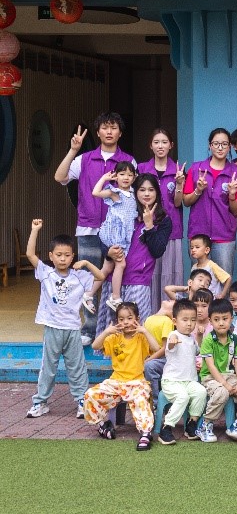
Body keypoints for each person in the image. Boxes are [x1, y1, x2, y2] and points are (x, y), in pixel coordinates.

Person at [54, 113, 136, 344]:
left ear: (120, 133)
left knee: (115, 276)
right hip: (89, 228)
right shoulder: (85, 159)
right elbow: (59, 177)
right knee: (89, 278)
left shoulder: (129, 162)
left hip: (116, 233)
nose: (109, 132)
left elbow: (134, 196)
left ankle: (113, 328)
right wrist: (73, 150)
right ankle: (89, 330)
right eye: (104, 128)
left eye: (114, 128)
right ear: (98, 132)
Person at [25, 220, 104, 419]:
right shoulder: (46, 273)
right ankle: (40, 402)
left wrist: (86, 263)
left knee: (77, 367)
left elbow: (100, 276)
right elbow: (30, 255)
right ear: (51, 256)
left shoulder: (79, 276)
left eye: (67, 255)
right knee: (48, 367)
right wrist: (35, 230)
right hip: (52, 328)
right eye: (58, 255)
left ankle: (82, 401)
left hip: (73, 329)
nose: (63, 259)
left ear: (73, 256)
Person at [91, 173, 172, 332]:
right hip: (114, 279)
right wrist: (108, 252)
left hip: (138, 280)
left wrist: (149, 226)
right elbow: (104, 235)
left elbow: (157, 251)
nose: (146, 194)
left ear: (157, 192)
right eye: (142, 190)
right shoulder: (124, 210)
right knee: (113, 331)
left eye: (151, 190)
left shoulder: (163, 219)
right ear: (135, 192)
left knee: (135, 330)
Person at [82, 302, 159, 450]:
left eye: (130, 318)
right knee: (90, 394)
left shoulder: (141, 337)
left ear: (137, 319)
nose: (126, 322)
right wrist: (106, 332)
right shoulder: (114, 337)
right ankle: (102, 425)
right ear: (117, 321)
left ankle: (145, 433)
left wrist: (144, 330)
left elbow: (156, 348)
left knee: (140, 400)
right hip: (115, 382)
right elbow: (95, 346)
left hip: (136, 382)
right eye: (121, 319)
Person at [182, 128, 237, 278]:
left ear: (230, 147)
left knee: (223, 280)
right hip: (198, 234)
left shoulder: (236, 173)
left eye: (224, 144)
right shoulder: (196, 169)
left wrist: (232, 195)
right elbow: (186, 201)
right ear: (210, 145)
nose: (220, 148)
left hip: (224, 236)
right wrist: (198, 190)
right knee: (198, 281)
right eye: (216, 144)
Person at [138, 129, 185, 304]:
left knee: (169, 275)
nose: (160, 146)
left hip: (171, 231)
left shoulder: (177, 171)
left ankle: (170, 315)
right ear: (150, 145)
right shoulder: (141, 169)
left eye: (164, 142)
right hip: (146, 228)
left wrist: (179, 184)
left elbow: (178, 203)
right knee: (149, 274)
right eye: (156, 142)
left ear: (171, 145)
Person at [198, 298, 237, 443]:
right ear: (210, 321)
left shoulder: (234, 339)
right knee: (222, 392)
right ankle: (205, 425)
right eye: (216, 319)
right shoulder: (209, 340)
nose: (221, 323)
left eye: (225, 319)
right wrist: (225, 385)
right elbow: (211, 366)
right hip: (210, 377)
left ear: (231, 319)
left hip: (229, 376)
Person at [157, 299, 206, 445]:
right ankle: (166, 427)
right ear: (175, 321)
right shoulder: (173, 335)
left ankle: (191, 424)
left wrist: (200, 336)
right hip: (172, 381)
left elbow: (198, 351)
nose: (189, 324)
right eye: (185, 320)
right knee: (183, 397)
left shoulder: (192, 338)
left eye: (193, 320)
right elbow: (170, 345)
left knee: (201, 392)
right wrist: (172, 341)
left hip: (189, 381)